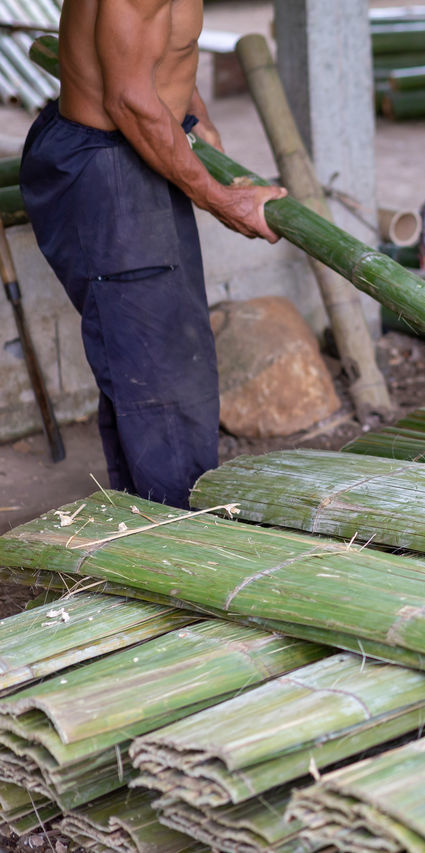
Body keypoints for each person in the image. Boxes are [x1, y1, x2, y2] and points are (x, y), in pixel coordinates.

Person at [20, 0, 287, 509]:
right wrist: (221, 199)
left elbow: (159, 53)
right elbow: (130, 100)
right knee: (159, 367)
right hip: (109, 162)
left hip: (132, 146)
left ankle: (142, 514)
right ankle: (175, 535)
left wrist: (195, 116)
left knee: (146, 351)